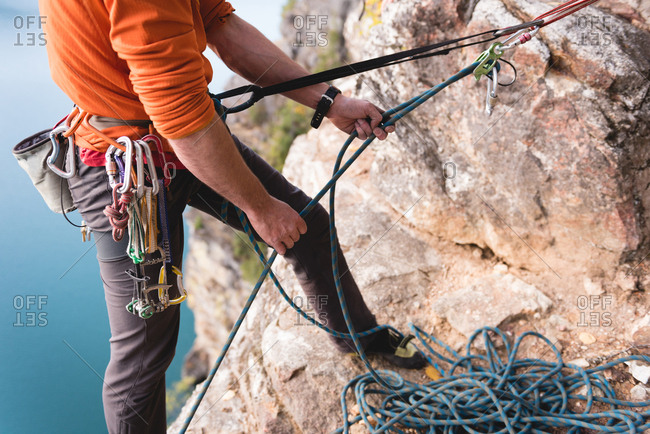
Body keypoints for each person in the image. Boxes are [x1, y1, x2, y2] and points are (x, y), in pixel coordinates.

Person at [39, 0, 426, 432]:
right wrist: (259, 207)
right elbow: (177, 112)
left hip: (180, 142)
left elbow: (219, 27)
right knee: (144, 352)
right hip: (126, 166)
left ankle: (359, 338)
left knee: (307, 228)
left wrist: (329, 101)